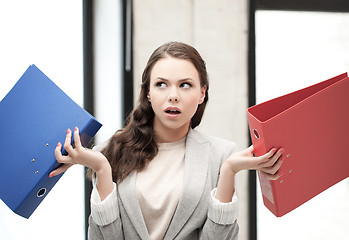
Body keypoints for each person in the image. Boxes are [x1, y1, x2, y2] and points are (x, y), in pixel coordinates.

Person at [49, 42, 283, 240]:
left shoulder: (222, 155)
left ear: (202, 93)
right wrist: (101, 167)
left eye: (185, 85)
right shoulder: (108, 153)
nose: (173, 95)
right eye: (161, 84)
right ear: (148, 93)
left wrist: (230, 171)